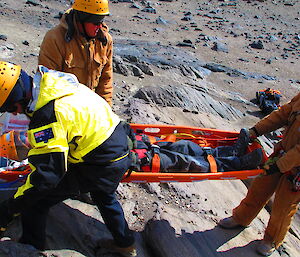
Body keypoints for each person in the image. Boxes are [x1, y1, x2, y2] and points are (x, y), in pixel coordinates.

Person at [0, 61, 136, 257]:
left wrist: (8, 210)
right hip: (118, 140)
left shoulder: (47, 116)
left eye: (11, 107)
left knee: (36, 202)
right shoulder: (53, 81)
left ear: (17, 97)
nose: (14, 113)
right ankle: (125, 245)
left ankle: (29, 249)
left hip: (101, 162)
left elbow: (47, 177)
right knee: (103, 194)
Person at [218, 93, 300, 256]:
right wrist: (256, 130)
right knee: (259, 189)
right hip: (281, 154)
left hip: (296, 170)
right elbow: (283, 113)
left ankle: (272, 239)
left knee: (284, 206)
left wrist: (280, 165)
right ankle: (241, 218)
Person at [38, 0, 114, 106]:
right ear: (81, 19)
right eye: (95, 22)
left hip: (91, 110)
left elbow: (105, 82)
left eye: (101, 21)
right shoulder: (55, 39)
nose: (100, 27)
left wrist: (106, 112)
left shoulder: (104, 41)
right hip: (64, 110)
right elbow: (47, 84)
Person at [131, 129, 263, 173]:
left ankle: (231, 152)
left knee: (184, 146)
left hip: (132, 144)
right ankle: (238, 163)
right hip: (130, 158)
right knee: (185, 162)